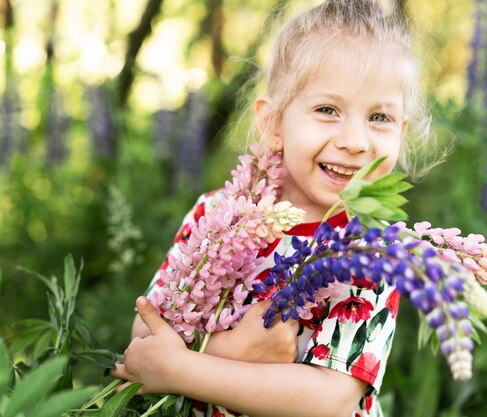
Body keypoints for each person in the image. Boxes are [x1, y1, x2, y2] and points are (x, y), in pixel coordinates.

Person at [112, 0, 433, 416]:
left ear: (401, 132)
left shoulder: (371, 253)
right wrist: (234, 350)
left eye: (379, 117)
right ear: (274, 124)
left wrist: (183, 369)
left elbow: (330, 398)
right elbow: (146, 334)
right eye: (327, 110)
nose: (355, 140)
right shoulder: (219, 215)